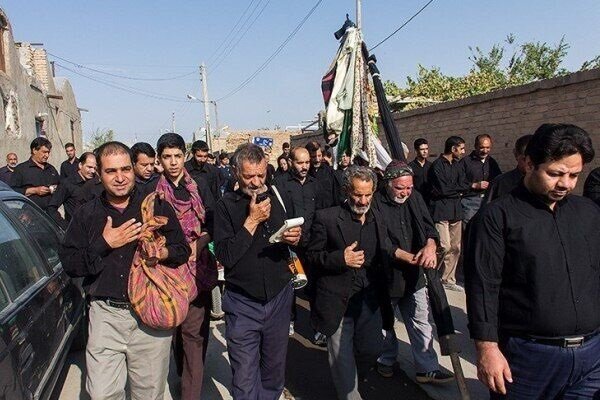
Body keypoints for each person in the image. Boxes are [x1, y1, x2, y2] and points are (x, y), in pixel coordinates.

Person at [465, 123, 600, 399]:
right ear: (528, 163)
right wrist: (487, 349)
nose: (565, 184)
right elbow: (483, 287)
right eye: (555, 173)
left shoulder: (588, 213)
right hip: (527, 360)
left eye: (574, 175)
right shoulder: (496, 218)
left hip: (591, 359)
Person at [59, 141, 191, 400]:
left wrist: (160, 253)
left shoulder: (155, 206)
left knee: (149, 394)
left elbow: (182, 250)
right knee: (101, 393)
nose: (120, 178)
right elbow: (70, 263)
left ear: (133, 169)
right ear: (99, 172)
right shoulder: (87, 213)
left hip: (151, 315)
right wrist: (105, 244)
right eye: (111, 171)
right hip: (105, 314)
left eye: (125, 169)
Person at [214, 143, 301, 399]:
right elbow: (226, 255)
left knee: (274, 372)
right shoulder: (225, 206)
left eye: (260, 175)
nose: (255, 182)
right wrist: (251, 221)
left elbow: (292, 235)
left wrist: (294, 237)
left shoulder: (278, 195)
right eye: (248, 176)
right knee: (244, 376)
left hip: (278, 297)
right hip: (242, 303)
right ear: (235, 172)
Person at [307, 166, 400, 400]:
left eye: (368, 194)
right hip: (338, 299)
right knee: (342, 358)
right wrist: (341, 259)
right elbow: (311, 256)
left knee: (372, 349)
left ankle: (350, 381)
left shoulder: (377, 216)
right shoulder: (326, 218)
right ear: (347, 191)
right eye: (358, 194)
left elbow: (385, 249)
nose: (363, 200)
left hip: (369, 300)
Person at [372, 161, 454, 384]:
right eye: (400, 188)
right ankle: (386, 360)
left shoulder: (415, 198)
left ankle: (426, 368)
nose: (405, 192)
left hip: (415, 275)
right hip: (387, 276)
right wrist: (406, 256)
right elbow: (380, 241)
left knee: (420, 320)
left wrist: (429, 245)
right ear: (388, 184)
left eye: (408, 188)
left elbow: (429, 226)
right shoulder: (375, 202)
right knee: (385, 323)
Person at [153, 133, 216, 400]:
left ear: (184, 155)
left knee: (194, 336)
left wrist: (199, 245)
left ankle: (191, 392)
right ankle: (184, 376)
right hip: (166, 274)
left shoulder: (199, 186)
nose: (173, 162)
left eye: (178, 156)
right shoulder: (152, 193)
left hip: (197, 270)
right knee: (178, 335)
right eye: (167, 157)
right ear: (160, 160)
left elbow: (213, 223)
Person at [273, 147, 317, 335]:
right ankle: (289, 319)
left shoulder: (317, 183)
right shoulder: (279, 185)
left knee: (315, 285)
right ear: (291, 162)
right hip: (291, 247)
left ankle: (317, 324)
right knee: (292, 283)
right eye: (300, 162)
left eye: (307, 162)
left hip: (314, 244)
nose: (305, 166)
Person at [427, 136, 467, 292]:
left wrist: (457, 189)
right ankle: (430, 274)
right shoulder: (437, 166)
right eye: (461, 148)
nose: (463, 152)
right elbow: (442, 189)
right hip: (441, 211)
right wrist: (458, 190)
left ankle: (448, 278)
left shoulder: (458, 165)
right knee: (444, 245)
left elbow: (464, 184)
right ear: (453, 149)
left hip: (456, 211)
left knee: (455, 247)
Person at [47, 152, 97, 229]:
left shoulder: (95, 182)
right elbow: (51, 208)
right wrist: (66, 227)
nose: (93, 171)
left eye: (94, 168)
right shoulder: (67, 183)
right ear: (80, 165)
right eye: (89, 167)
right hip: (76, 233)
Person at [459, 134, 502, 224]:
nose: (485, 151)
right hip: (470, 202)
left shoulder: (491, 162)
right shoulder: (465, 162)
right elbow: (458, 183)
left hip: (488, 201)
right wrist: (474, 185)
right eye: (482, 147)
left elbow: (498, 180)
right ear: (475, 146)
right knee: (469, 230)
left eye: (488, 147)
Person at [10, 137, 59, 212]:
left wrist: (54, 188)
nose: (47, 155)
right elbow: (12, 191)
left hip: (51, 215)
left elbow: (61, 187)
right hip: (30, 215)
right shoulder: (21, 169)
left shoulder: (51, 169)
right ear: (34, 150)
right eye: (44, 152)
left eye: (48, 152)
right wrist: (35, 190)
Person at [485, 134, 532, 203]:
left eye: (534, 160)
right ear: (516, 155)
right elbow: (487, 211)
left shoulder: (546, 183)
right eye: (524, 159)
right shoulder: (500, 183)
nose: (530, 164)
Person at [306, 141, 338, 210]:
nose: (317, 160)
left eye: (319, 155)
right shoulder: (305, 174)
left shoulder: (330, 172)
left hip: (328, 213)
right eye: (313, 156)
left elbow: (336, 195)